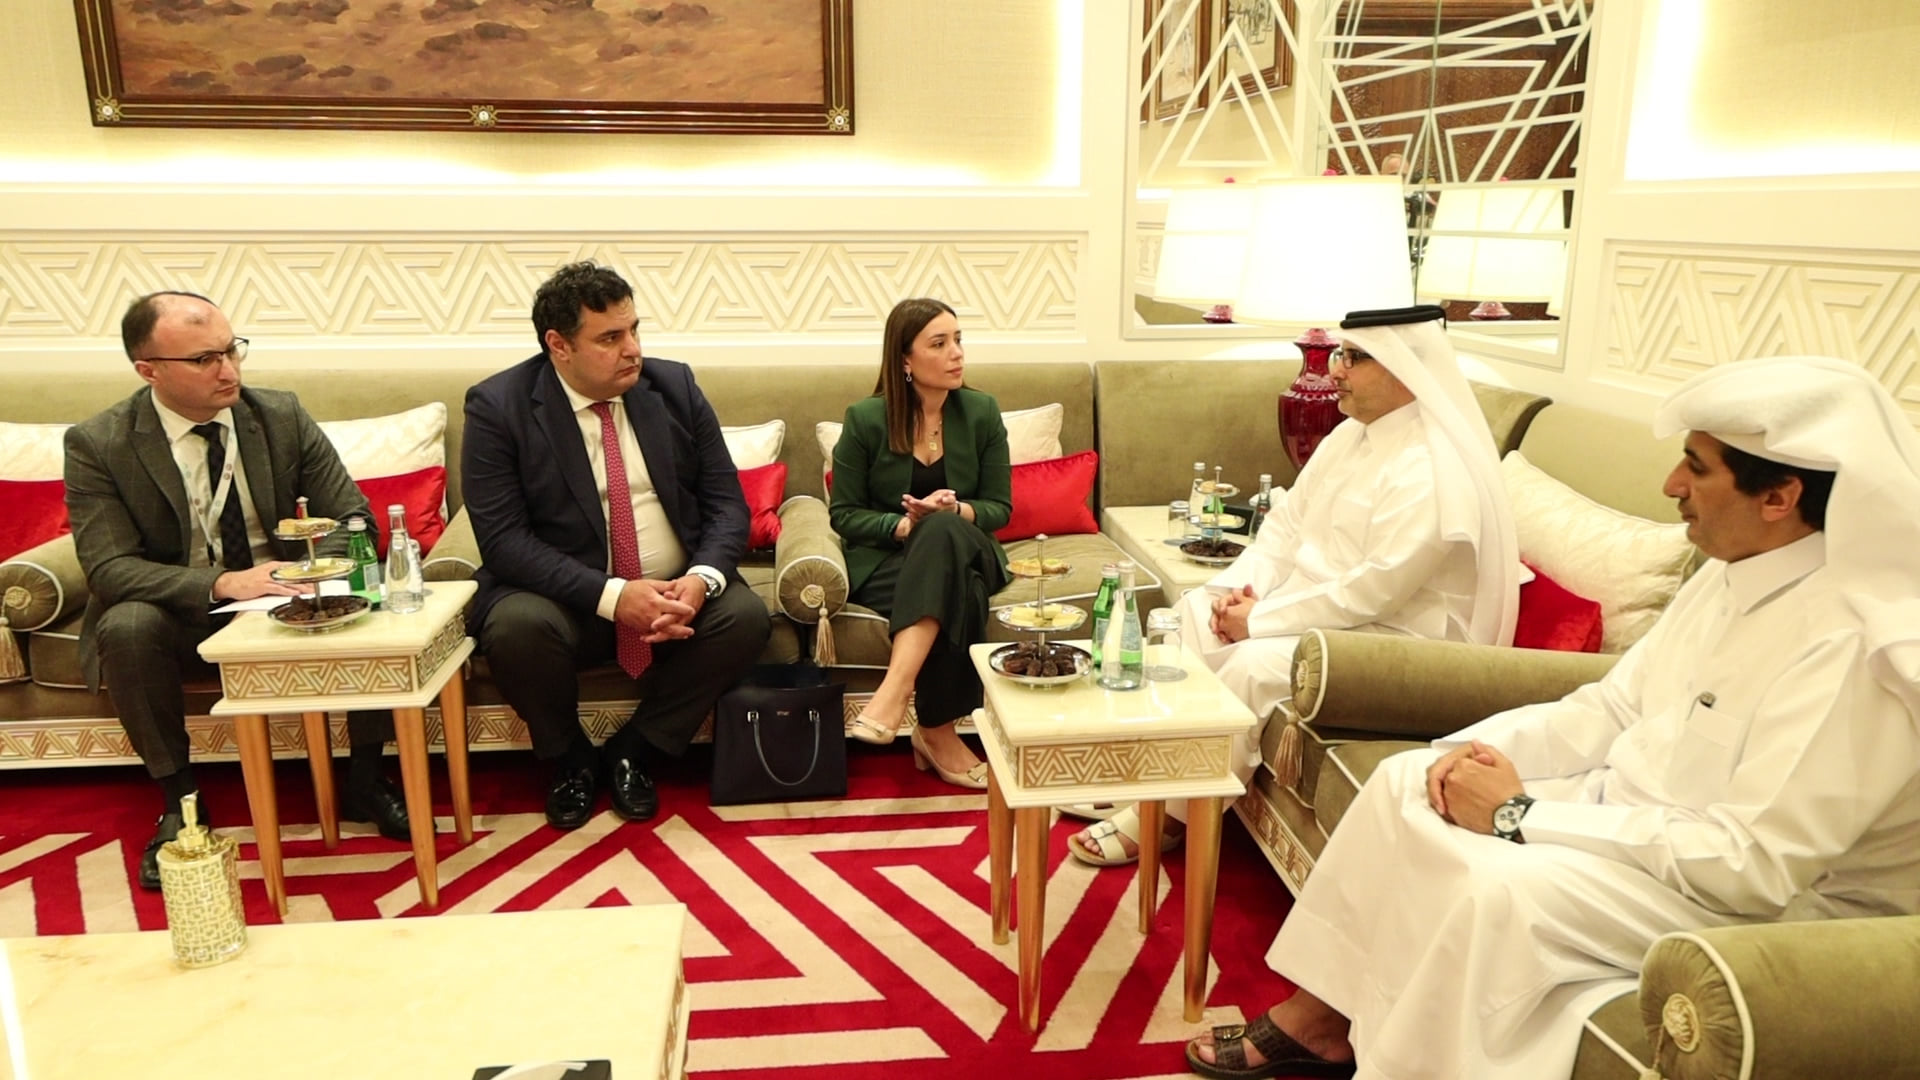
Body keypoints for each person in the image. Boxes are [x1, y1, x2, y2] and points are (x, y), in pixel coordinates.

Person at [1185, 355, 1920, 1080]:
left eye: (1696, 468)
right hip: (1638, 822)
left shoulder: (1857, 645)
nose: (1671, 485)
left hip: (1758, 902)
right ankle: (1318, 1022)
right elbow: (1613, 705)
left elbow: (1750, 864)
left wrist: (1517, 815)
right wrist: (1467, 752)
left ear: (1780, 496)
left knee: (1491, 889)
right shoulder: (1731, 572)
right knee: (1406, 781)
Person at [1072, 304, 1519, 866]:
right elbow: (1283, 531)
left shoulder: (1433, 467)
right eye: (1339, 355)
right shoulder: (1349, 436)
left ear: (1406, 368)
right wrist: (1233, 598)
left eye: (1355, 358)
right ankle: (1150, 777)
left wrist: (1257, 622)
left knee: (1250, 666)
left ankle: (1168, 818)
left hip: (1398, 641)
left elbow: (1375, 591)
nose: (1336, 370)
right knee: (1188, 613)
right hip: (1319, 613)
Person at [64, 291, 409, 891]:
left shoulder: (278, 415)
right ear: (148, 370)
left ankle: (365, 779)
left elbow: (353, 518)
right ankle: (181, 803)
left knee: (364, 593)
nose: (228, 370)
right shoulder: (100, 443)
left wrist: (308, 575)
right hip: (182, 606)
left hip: (288, 596)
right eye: (204, 359)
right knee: (127, 625)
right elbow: (110, 568)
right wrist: (222, 583)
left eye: (231, 350)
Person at [463, 262, 771, 831]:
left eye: (633, 329)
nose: (632, 349)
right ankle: (570, 758)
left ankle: (638, 747)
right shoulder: (499, 407)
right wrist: (613, 596)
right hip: (568, 602)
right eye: (609, 338)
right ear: (559, 346)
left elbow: (727, 505)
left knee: (745, 617)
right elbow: (505, 541)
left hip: (677, 596)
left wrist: (701, 580)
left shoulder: (674, 387)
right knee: (516, 627)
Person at [828, 298, 1012, 789]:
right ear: (905, 359)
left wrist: (954, 511)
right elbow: (843, 514)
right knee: (964, 590)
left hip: (972, 548)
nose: (957, 353)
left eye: (958, 340)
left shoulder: (982, 412)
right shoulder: (866, 419)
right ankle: (935, 732)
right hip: (891, 564)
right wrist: (904, 526)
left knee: (944, 528)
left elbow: (1000, 507)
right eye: (939, 343)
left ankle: (894, 691)